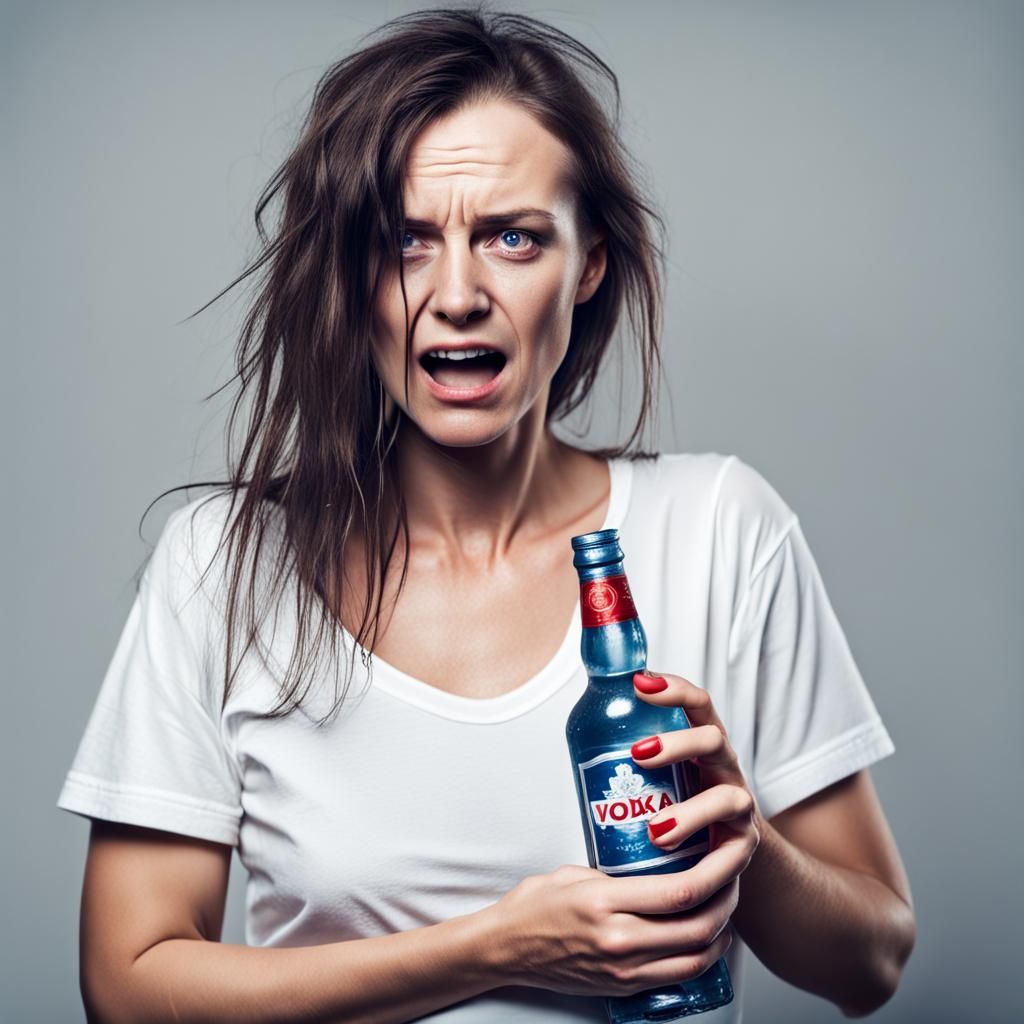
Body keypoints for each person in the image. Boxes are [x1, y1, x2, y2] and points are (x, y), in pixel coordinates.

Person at [57, 6, 915, 1022]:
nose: (458, 293)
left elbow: (872, 963)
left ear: (588, 262)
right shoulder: (224, 565)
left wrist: (744, 844)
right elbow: (126, 986)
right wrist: (495, 946)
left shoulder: (723, 528)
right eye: (405, 242)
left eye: (513, 237)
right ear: (349, 276)